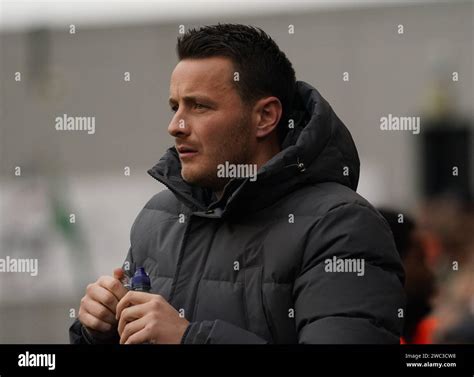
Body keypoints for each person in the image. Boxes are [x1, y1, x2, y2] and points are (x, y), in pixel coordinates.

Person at [70, 24, 405, 344]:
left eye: (199, 106)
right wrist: (100, 330)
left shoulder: (341, 226)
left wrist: (190, 338)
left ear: (265, 117)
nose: (175, 125)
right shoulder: (158, 218)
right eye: (175, 107)